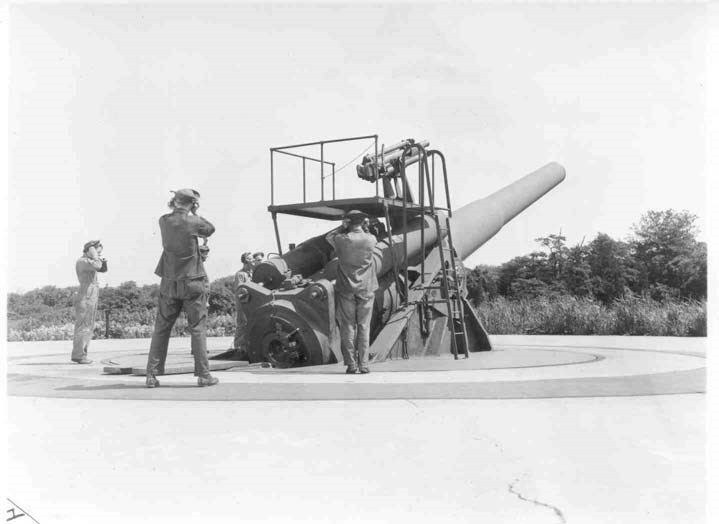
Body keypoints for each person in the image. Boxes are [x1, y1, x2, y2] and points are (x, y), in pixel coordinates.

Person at [145, 188, 219, 388]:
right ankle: (203, 375)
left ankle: (151, 375)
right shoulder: (194, 222)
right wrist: (195, 212)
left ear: (174, 201)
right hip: (193, 281)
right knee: (197, 328)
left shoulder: (163, 221)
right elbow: (210, 229)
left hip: (169, 282)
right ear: (193, 204)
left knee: (161, 329)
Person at [325, 210, 378, 374]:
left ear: (348, 222)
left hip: (346, 288)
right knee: (364, 326)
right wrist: (366, 228)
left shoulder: (341, 239)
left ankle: (351, 364)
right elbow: (369, 236)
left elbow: (328, 237)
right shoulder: (371, 239)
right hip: (367, 287)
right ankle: (364, 365)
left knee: (348, 326)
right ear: (364, 222)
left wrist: (343, 226)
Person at [71, 240, 107, 364]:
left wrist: (100, 258)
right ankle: (79, 355)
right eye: (96, 251)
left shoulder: (89, 261)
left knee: (88, 326)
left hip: (91, 294)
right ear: (89, 250)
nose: (98, 254)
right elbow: (97, 266)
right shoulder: (83, 261)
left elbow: (102, 268)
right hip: (85, 294)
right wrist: (95, 255)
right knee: (84, 326)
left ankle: (82, 354)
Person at [232, 252, 255, 354]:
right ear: (245, 261)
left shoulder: (252, 273)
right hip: (243, 305)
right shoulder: (240, 274)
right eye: (251, 259)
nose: (253, 260)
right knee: (242, 325)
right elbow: (241, 291)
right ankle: (238, 347)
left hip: (251, 304)